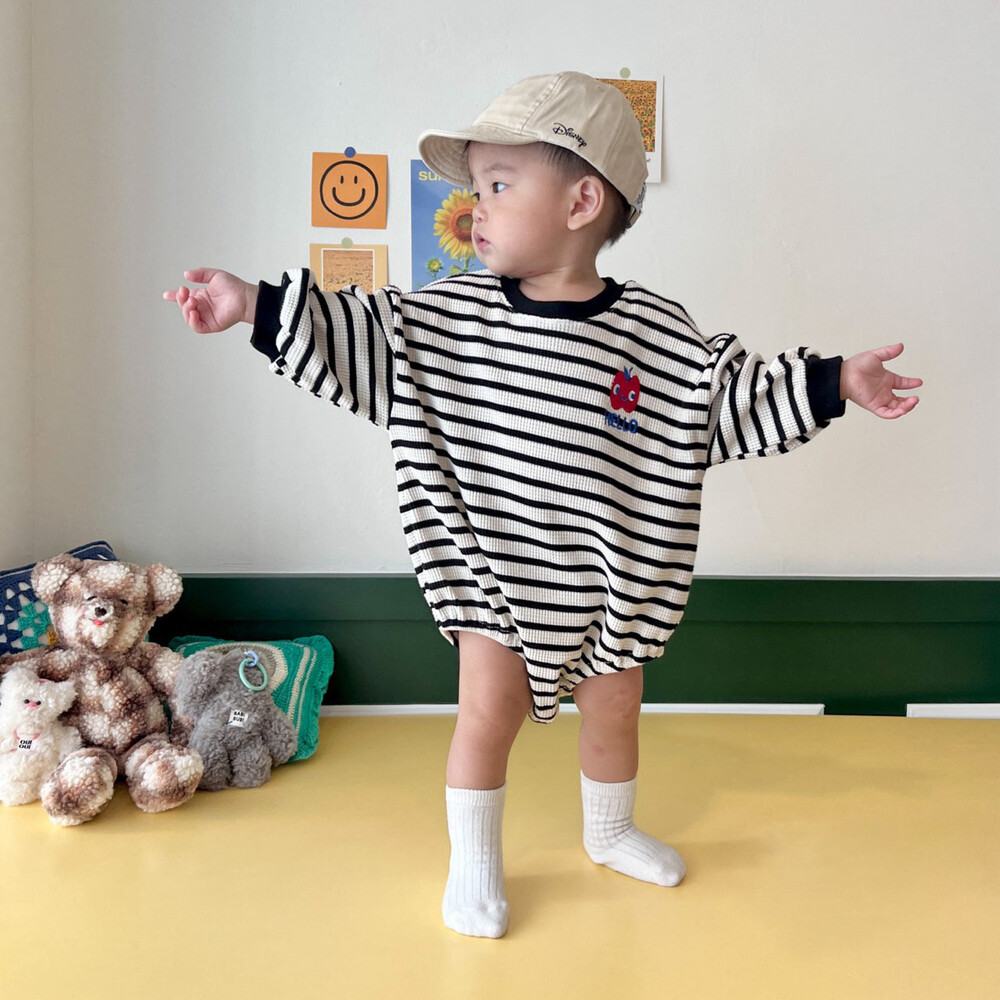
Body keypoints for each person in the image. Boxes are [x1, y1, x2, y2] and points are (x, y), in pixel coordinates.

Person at [164, 71, 921, 939]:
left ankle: (610, 830)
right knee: (487, 716)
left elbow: (729, 395)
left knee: (617, 708)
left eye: (497, 185)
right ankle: (475, 866)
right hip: (492, 573)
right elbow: (357, 335)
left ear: (581, 202)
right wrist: (252, 306)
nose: (473, 208)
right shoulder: (447, 320)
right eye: (474, 188)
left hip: (610, 583)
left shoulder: (655, 336)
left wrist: (835, 381)